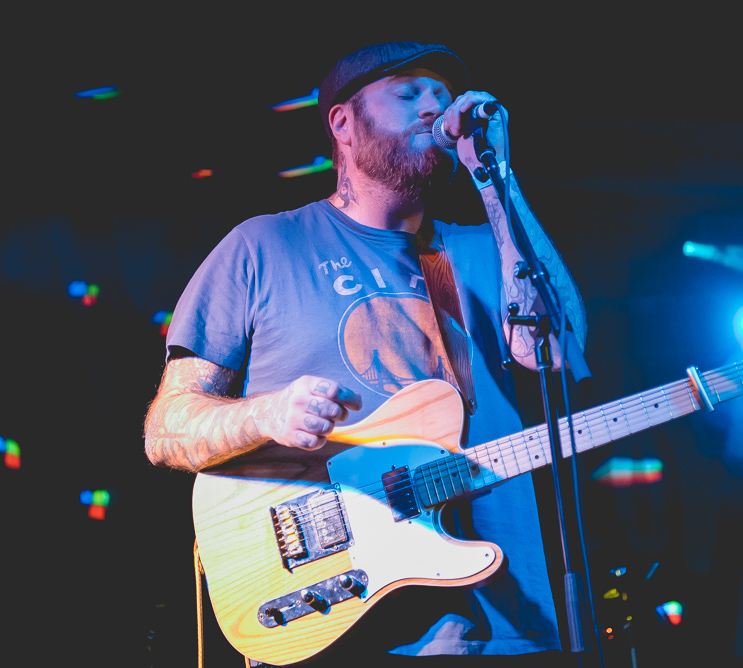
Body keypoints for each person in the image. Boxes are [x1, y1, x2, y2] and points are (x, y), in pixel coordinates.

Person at [144, 41, 587, 666]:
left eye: (441, 95)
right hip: (331, 615)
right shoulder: (265, 245)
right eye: (409, 94)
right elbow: (167, 429)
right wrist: (265, 415)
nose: (434, 108)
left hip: (501, 620)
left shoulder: (490, 252)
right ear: (343, 124)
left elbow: (556, 354)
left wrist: (497, 178)